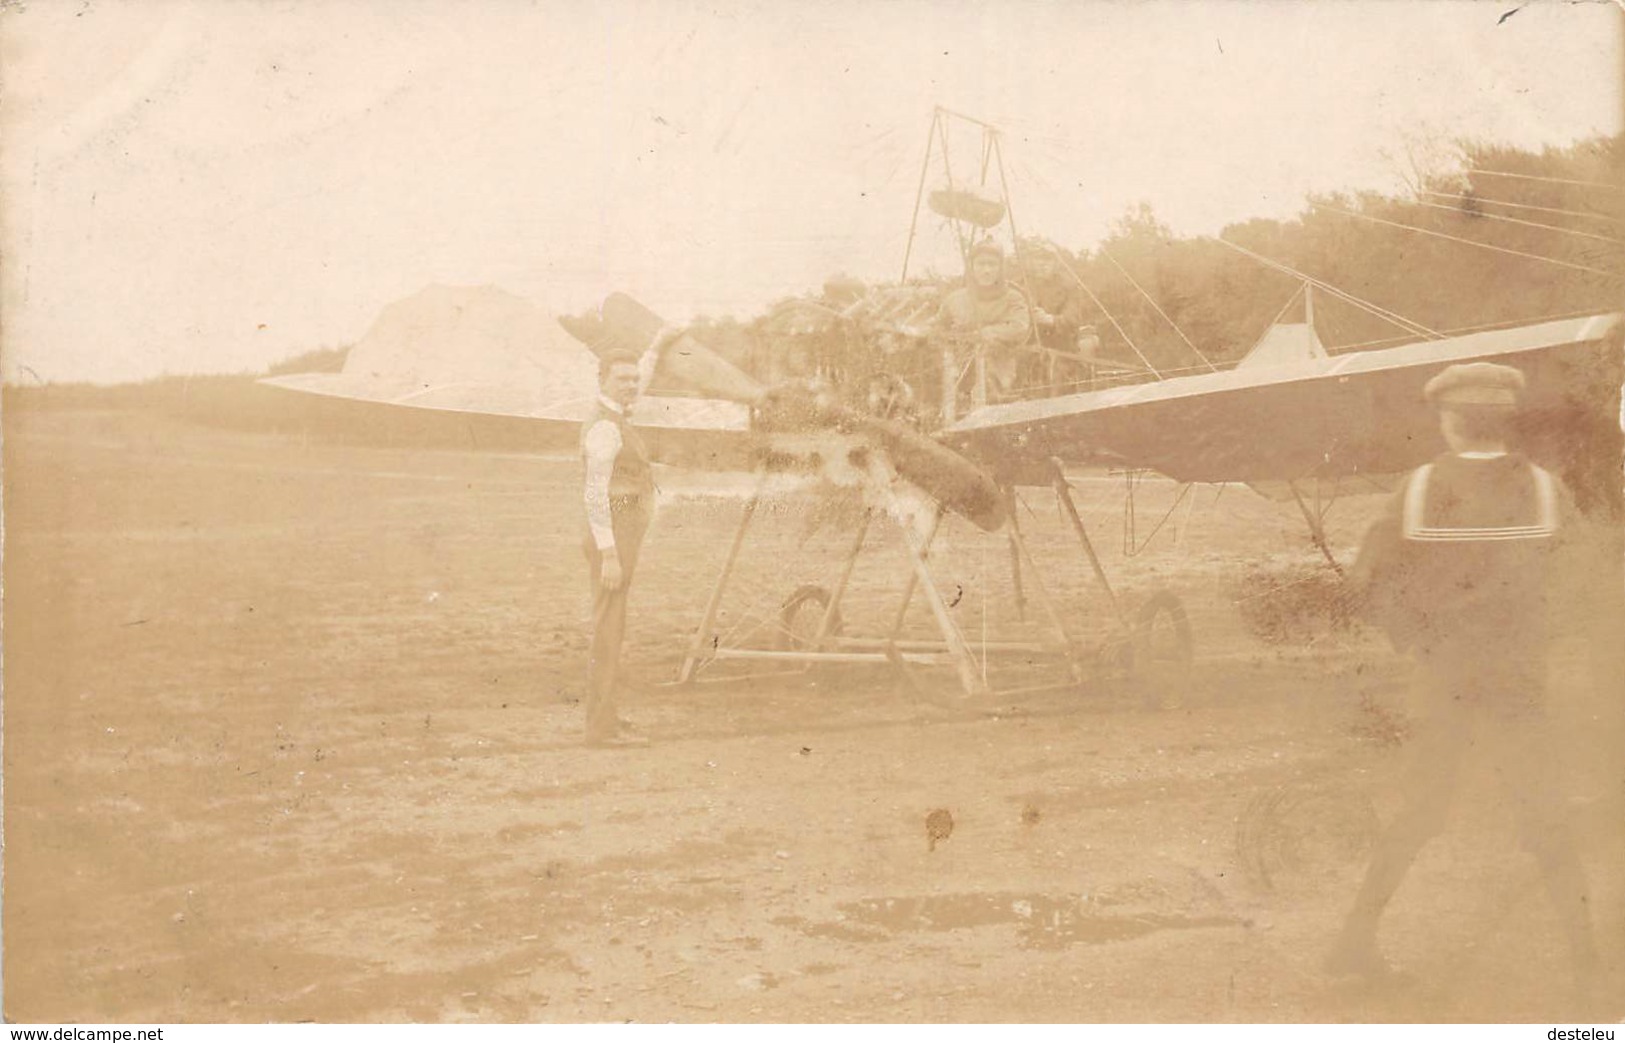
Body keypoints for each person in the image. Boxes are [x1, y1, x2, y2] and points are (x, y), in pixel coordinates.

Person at [1327, 361, 1600, 997]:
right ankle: (1588, 964)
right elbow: (1587, 582)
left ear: (1449, 422)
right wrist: (1543, 634)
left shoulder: (1418, 489)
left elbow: (1365, 583)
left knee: (1419, 810)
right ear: (1509, 421)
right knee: (1546, 812)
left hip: (1443, 675)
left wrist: (1416, 639)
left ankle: (1354, 941)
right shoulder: (1544, 489)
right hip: (1520, 677)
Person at [579, 349, 655, 747]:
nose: (631, 385)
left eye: (634, 379)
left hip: (621, 535)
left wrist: (658, 345)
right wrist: (609, 554)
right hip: (610, 538)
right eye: (622, 379)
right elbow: (594, 494)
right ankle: (601, 730)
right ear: (603, 381)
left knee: (613, 627)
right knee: (608, 631)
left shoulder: (617, 418)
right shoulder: (605, 429)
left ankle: (606, 717)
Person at [935, 238, 1032, 404]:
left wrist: (989, 333)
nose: (986, 270)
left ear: (1001, 268)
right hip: (960, 367)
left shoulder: (1013, 297)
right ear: (971, 267)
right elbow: (938, 328)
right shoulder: (955, 299)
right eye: (980, 264)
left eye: (992, 264)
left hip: (1002, 365)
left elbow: (1019, 327)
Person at [1022, 243, 1090, 390]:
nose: (1042, 264)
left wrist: (1049, 319)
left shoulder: (1070, 286)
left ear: (1056, 263)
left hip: (1061, 347)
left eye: (1047, 260)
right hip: (1027, 346)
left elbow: (1073, 319)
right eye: (1037, 260)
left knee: (1058, 380)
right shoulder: (1024, 285)